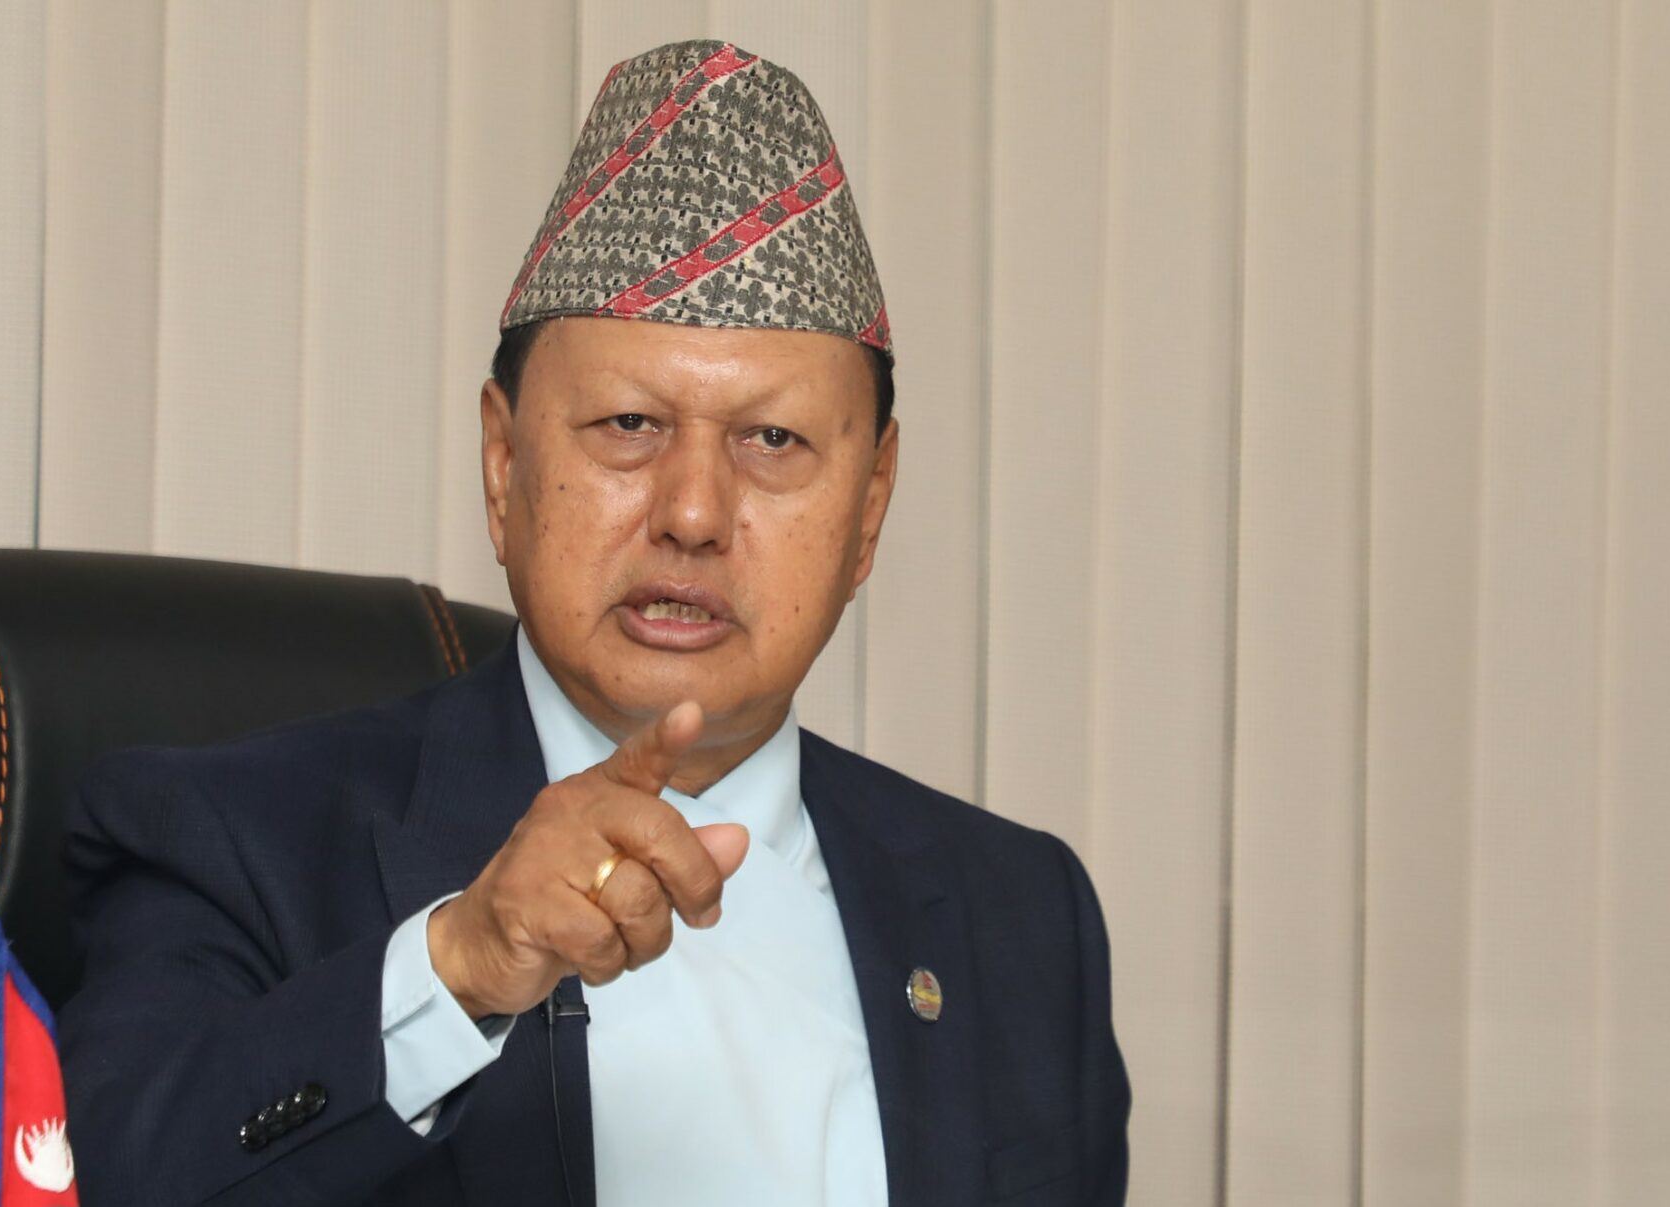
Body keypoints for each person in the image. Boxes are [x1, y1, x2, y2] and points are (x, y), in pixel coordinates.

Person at [59, 39, 1130, 1206]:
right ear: (502, 463)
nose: (692, 513)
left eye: (772, 440)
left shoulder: (1016, 913)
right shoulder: (232, 840)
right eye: (628, 424)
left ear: (869, 508)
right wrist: (461, 965)